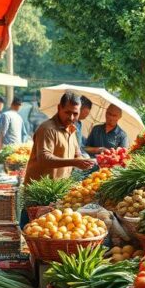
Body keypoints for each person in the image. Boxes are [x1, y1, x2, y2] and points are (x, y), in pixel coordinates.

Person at [23, 92, 97, 225]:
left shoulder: (72, 130)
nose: (71, 117)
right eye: (68, 112)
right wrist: (75, 162)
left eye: (75, 113)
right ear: (59, 108)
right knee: (32, 231)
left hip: (57, 193)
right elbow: (44, 158)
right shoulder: (47, 129)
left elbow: (76, 154)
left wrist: (83, 161)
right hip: (38, 194)